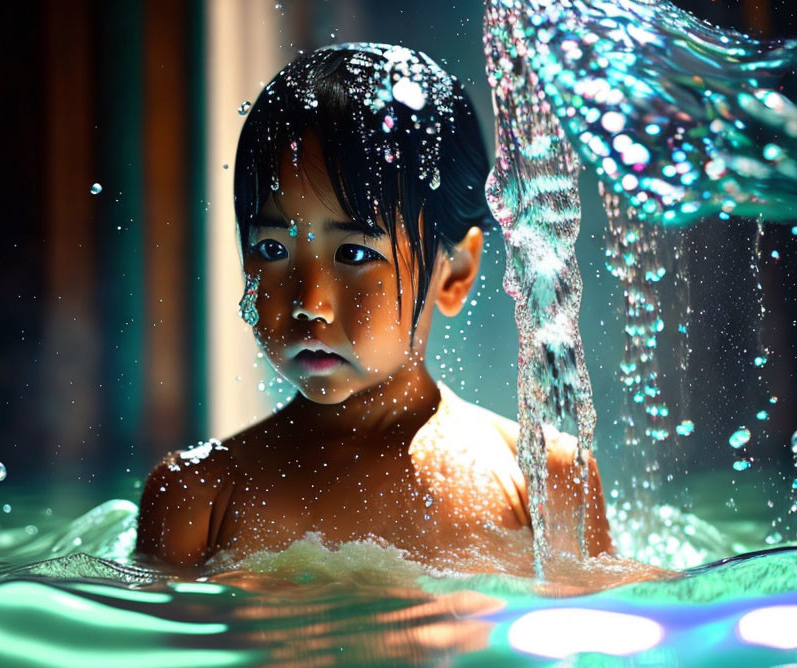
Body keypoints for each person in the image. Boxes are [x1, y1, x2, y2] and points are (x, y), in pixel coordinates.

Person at [136, 43, 611, 571]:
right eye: (273, 249)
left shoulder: (542, 479)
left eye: (354, 253)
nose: (308, 301)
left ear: (453, 273)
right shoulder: (199, 497)